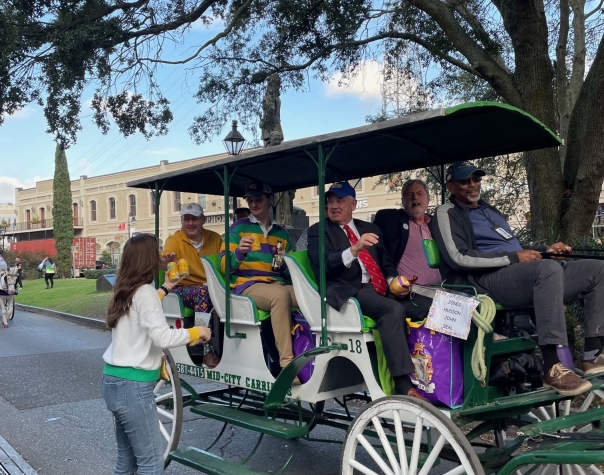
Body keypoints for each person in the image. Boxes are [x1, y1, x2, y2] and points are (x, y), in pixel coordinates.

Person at [432, 160, 604, 397]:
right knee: (546, 270)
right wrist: (515, 257)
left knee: (598, 270)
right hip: (485, 281)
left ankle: (592, 355)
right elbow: (458, 257)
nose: (472, 185)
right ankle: (551, 364)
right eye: (464, 181)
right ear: (450, 187)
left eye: (476, 179)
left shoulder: (489, 210)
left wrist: (545, 250)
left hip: (519, 274)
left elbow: (512, 246)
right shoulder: (446, 212)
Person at [102, 233, 211, 475]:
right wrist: (198, 331)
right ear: (148, 259)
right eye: (157, 251)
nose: (161, 256)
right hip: (134, 387)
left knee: (126, 463)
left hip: (113, 381)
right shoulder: (145, 293)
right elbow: (162, 337)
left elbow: (141, 308)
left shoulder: (124, 289)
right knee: (151, 464)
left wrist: (165, 288)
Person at [307, 181, 426, 399]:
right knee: (392, 311)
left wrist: (393, 280)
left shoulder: (370, 228)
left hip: (380, 287)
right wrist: (354, 249)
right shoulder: (318, 231)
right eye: (330, 201)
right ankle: (402, 383)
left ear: (353, 204)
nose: (334, 206)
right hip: (349, 290)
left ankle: (433, 372)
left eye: (340, 201)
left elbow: (387, 262)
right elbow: (324, 265)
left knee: (426, 305)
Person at [221, 181, 299, 383]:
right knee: (280, 296)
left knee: (312, 295)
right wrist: (240, 252)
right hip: (247, 285)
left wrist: (282, 262)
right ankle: (287, 365)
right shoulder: (238, 228)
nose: (254, 204)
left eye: (258, 200)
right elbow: (225, 266)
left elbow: (280, 269)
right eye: (250, 200)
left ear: (269, 200)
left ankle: (313, 352)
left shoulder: (280, 233)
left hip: (275, 283)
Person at [162, 202, 223, 368]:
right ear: (181, 221)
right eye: (186, 219)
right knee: (203, 292)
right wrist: (167, 261)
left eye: (194, 219)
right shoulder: (174, 240)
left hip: (212, 287)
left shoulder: (216, 238)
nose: (190, 223)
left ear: (203, 220)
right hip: (182, 288)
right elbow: (165, 257)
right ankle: (205, 349)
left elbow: (225, 263)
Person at [373, 179, 440, 314]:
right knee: (436, 308)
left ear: (428, 198)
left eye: (419, 193)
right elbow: (380, 251)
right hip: (411, 294)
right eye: (409, 194)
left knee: (471, 305)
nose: (415, 197)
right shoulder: (392, 220)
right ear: (403, 200)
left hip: (442, 290)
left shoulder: (435, 224)